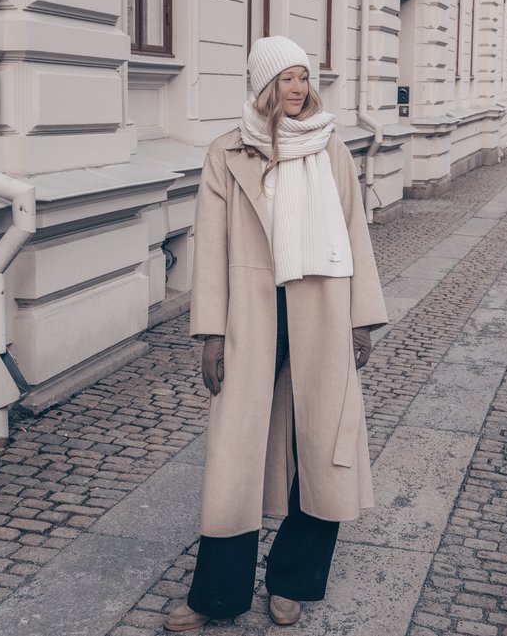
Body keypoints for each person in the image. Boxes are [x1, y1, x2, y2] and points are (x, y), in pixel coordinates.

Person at [163, 36, 387, 632]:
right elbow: (210, 247)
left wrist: (361, 318)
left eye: (304, 78)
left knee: (321, 448)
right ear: (265, 86)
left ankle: (292, 582)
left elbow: (354, 232)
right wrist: (210, 332)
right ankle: (217, 597)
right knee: (234, 457)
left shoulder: (333, 149)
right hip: (253, 316)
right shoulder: (227, 152)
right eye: (286, 78)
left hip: (321, 309)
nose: (299, 88)